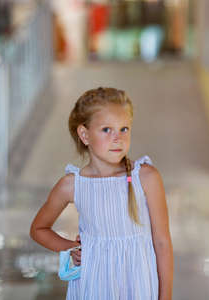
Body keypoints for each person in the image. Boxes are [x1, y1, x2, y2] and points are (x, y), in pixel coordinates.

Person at [30, 87, 173, 299]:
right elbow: (39, 229)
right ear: (85, 134)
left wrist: (166, 297)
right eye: (107, 130)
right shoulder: (72, 185)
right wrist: (71, 248)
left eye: (124, 129)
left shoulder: (146, 177)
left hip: (140, 286)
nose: (118, 138)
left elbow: (162, 242)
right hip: (93, 285)